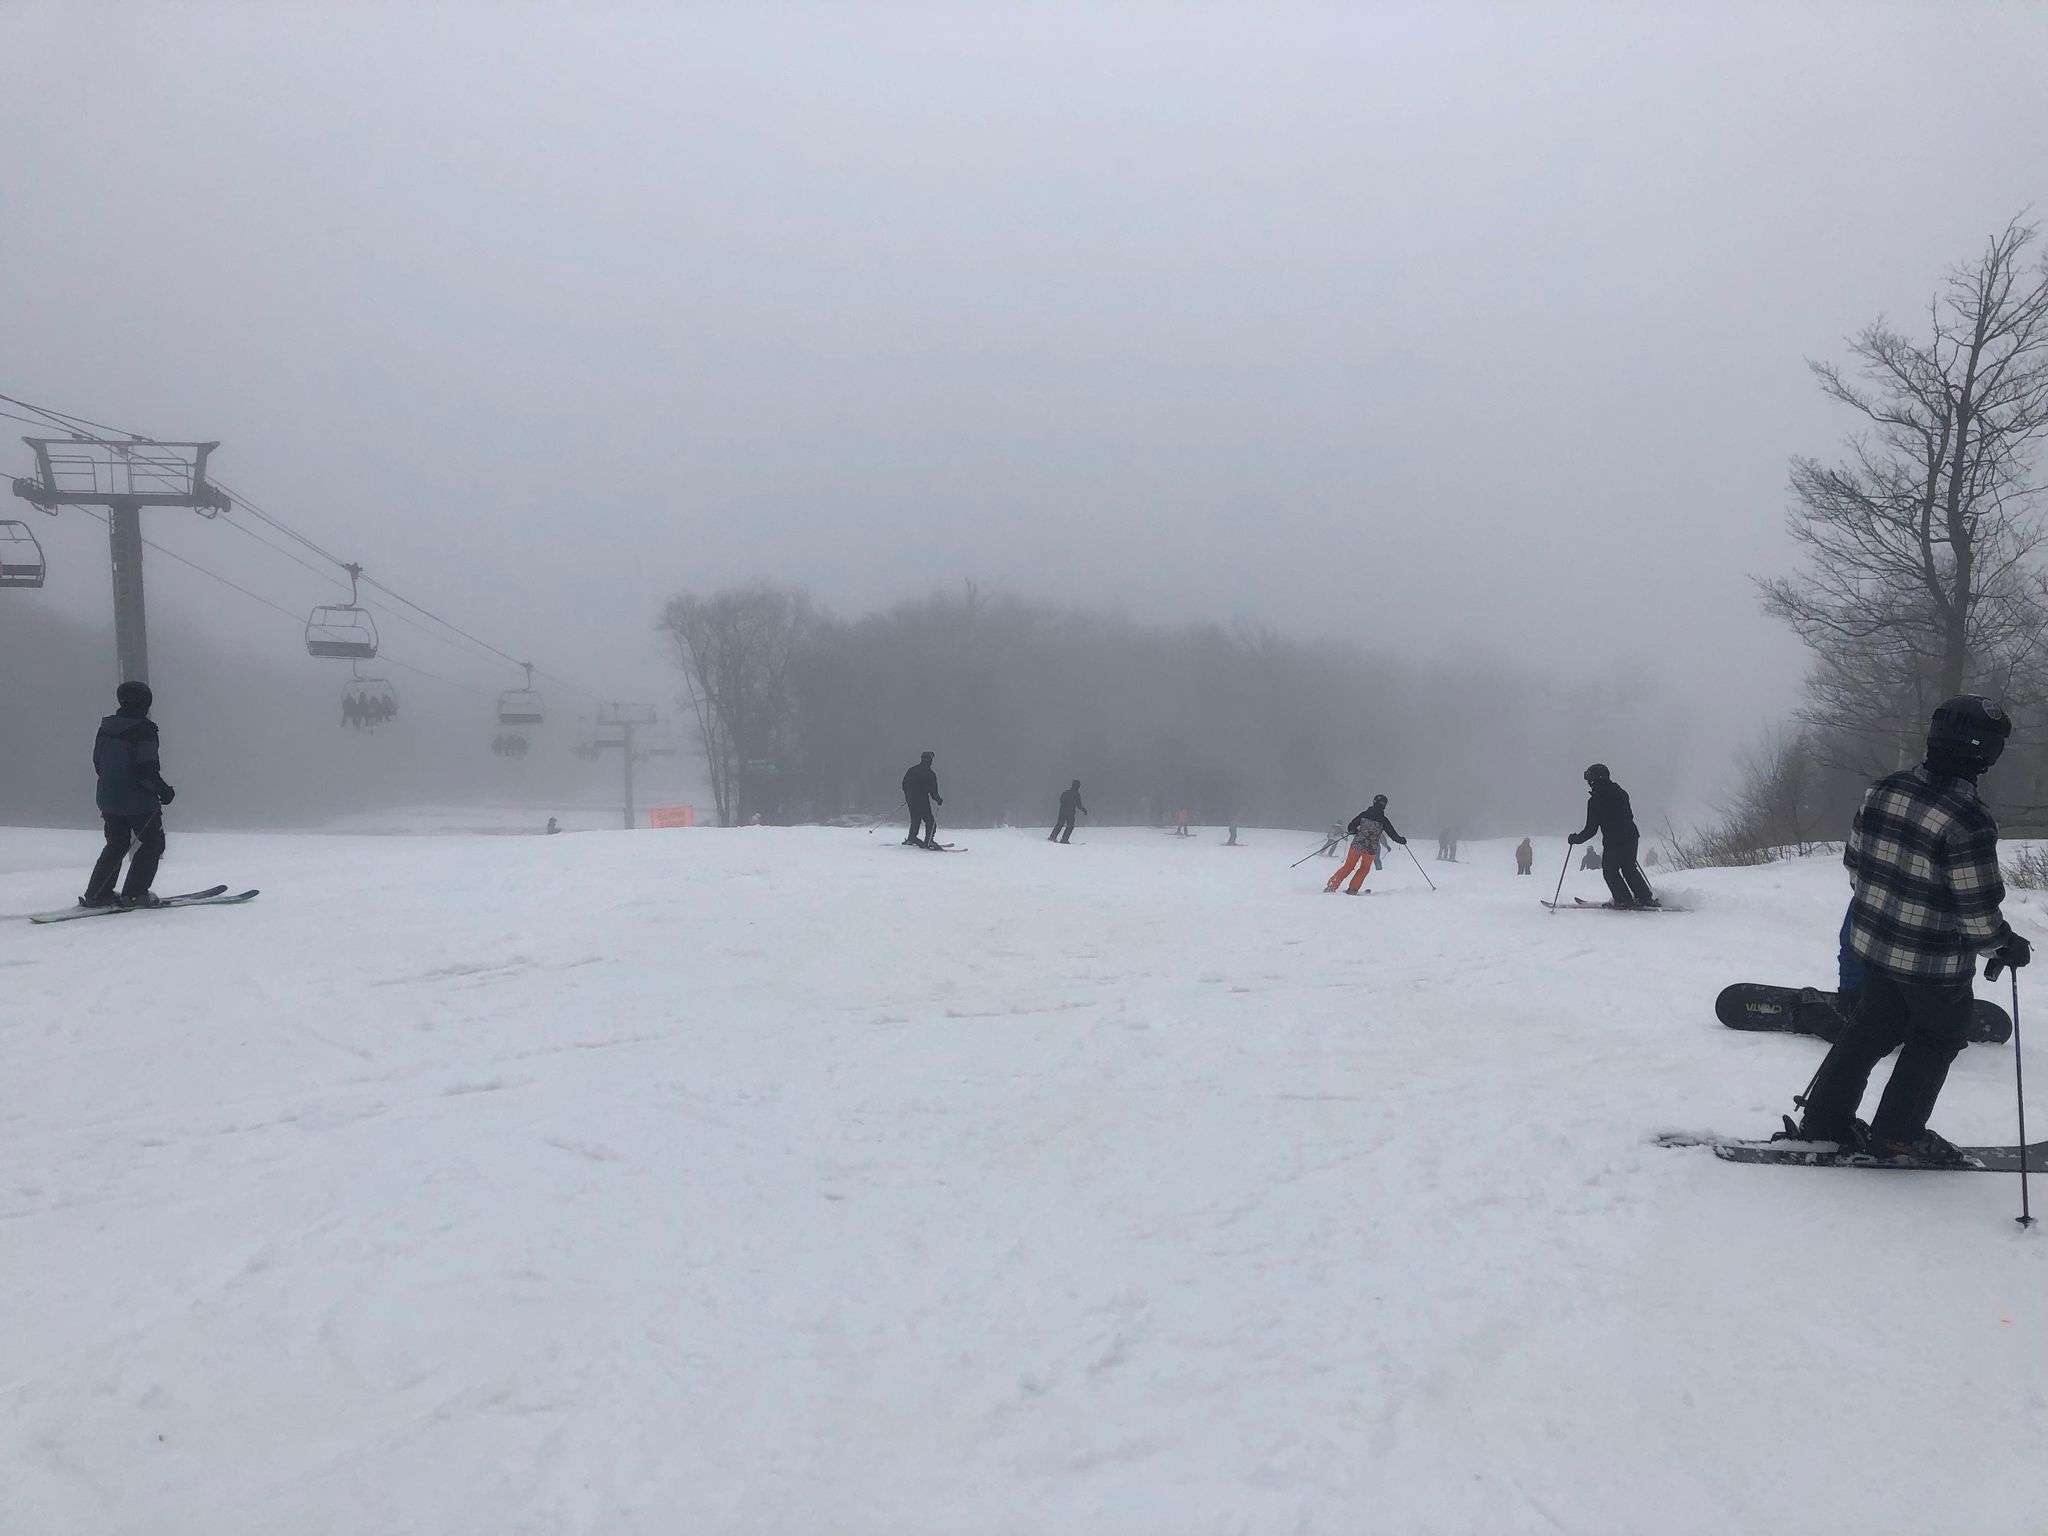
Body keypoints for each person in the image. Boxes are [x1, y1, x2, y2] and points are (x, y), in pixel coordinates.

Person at [1792, 696, 2029, 1163]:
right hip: (1933, 967)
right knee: (1937, 1037)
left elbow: (1855, 866)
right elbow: (1978, 913)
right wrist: (2006, 946)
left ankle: (1823, 1120)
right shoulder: (1968, 820)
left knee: (1869, 1030)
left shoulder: (1884, 790)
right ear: (1985, 754)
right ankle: (1898, 1134)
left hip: (1874, 948)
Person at [82, 680, 176, 909]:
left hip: (108, 797)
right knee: (153, 842)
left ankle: (97, 894)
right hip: (138, 800)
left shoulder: (106, 728)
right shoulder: (144, 729)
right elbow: (146, 769)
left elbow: (98, 763)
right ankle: (135, 893)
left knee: (116, 843)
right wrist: (164, 791)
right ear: (145, 702)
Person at [1567, 764, 1655, 908]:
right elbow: (1629, 815)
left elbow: (1591, 829)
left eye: (1590, 778)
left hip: (1614, 840)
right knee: (1629, 868)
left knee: (1610, 870)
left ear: (1596, 779)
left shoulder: (1595, 801)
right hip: (1631, 836)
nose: (1589, 782)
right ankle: (1645, 898)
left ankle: (1623, 900)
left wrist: (1575, 839)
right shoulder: (1621, 792)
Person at [1327, 794, 1406, 895]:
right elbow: (1393, 835)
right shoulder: (1383, 820)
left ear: (1373, 802)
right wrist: (1402, 840)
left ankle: (1332, 885)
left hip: (1356, 845)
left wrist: (1355, 831)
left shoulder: (1364, 814)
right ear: (1384, 805)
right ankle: (1353, 889)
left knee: (1349, 866)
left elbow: (1351, 826)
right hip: (1370, 849)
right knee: (1364, 869)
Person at [902, 750, 942, 848]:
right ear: (931, 760)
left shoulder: (912, 770)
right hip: (922, 802)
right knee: (930, 822)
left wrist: (908, 796)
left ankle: (911, 838)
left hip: (911, 801)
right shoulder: (930, 774)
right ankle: (929, 841)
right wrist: (939, 800)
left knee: (915, 820)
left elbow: (904, 785)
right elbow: (933, 792)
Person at [1050, 779, 1086, 843]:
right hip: (1070, 812)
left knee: (1060, 824)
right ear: (1077, 786)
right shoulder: (1076, 794)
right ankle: (1064, 839)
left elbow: (1061, 800)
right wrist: (1083, 810)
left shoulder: (1065, 792)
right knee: (1070, 826)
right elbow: (1078, 804)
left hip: (1062, 811)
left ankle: (1053, 837)